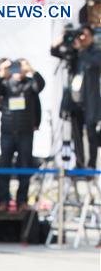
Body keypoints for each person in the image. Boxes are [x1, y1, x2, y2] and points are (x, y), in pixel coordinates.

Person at [0, 58, 45, 211]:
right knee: (4, 165)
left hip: (25, 132)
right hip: (8, 131)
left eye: (20, 67)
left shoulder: (30, 83)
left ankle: (21, 200)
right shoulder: (5, 83)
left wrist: (31, 69)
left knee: (24, 165)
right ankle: (3, 200)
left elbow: (40, 86)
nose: (18, 71)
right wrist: (3, 73)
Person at [51, 25, 101, 169]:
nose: (81, 38)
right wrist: (62, 38)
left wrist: (81, 49)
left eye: (84, 35)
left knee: (91, 134)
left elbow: (95, 63)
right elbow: (55, 52)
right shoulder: (74, 52)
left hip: (90, 100)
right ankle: (79, 164)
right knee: (76, 134)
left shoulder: (95, 51)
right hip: (74, 100)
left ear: (91, 37)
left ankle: (91, 164)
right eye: (80, 35)